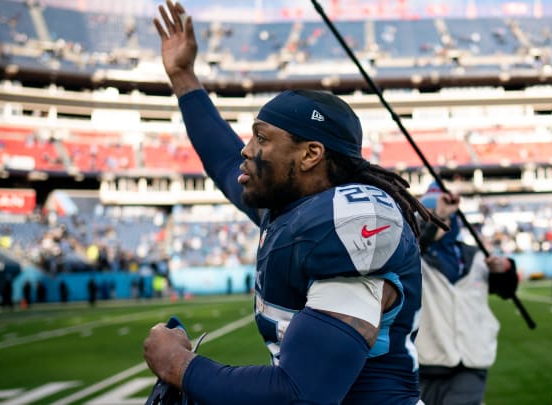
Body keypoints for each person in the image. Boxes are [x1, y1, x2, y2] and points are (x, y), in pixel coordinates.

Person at [143, 1, 444, 403]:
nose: (246, 151)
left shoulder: (347, 222)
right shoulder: (289, 208)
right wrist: (183, 76)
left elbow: (302, 394)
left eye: (262, 138)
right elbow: (221, 159)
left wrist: (178, 366)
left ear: (310, 155)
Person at [414, 184, 518, 405]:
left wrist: (506, 269)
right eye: (430, 217)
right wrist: (437, 219)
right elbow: (415, 244)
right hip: (426, 362)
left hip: (471, 361)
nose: (439, 223)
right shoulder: (413, 257)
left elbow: (507, 291)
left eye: (444, 218)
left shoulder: (475, 256)